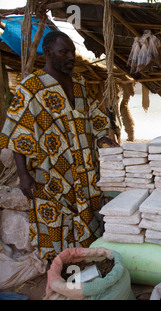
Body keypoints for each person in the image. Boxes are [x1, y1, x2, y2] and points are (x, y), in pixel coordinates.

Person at [0, 31, 120, 261]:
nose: (70, 57)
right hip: (50, 172)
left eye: (72, 52)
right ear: (48, 52)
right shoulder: (31, 87)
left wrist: (102, 137)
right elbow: (18, 134)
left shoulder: (79, 84)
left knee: (89, 216)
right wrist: (23, 175)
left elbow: (93, 115)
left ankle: (86, 261)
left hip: (85, 170)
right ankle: (60, 265)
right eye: (63, 52)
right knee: (56, 220)